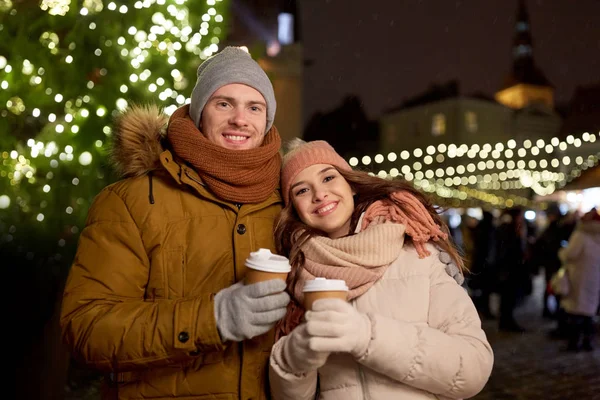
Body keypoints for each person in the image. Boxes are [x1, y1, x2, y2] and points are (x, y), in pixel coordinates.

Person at [60, 47, 290, 399]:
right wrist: (212, 318)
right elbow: (88, 327)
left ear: (267, 120)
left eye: (254, 107)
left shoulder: (289, 200)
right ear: (199, 113)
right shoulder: (132, 201)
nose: (240, 120)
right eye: (224, 103)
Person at [268, 140, 493, 399]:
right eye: (302, 190)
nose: (319, 194)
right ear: (293, 206)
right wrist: (293, 358)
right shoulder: (295, 272)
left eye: (329, 177)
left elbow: (473, 369)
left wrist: (366, 335)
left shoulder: (417, 254)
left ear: (350, 183)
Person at [558, 208, 600, 351]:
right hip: (594, 278)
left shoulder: (581, 235)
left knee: (576, 310)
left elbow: (570, 254)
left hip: (578, 277)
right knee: (589, 311)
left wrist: (562, 253)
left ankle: (574, 342)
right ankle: (588, 341)